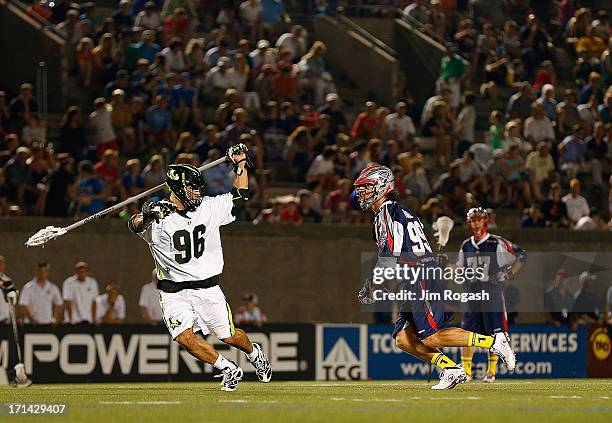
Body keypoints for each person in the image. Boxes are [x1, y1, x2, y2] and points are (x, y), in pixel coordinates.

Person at [354, 165, 516, 390]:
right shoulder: (396, 211)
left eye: (366, 188)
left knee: (431, 337)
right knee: (404, 339)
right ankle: (451, 369)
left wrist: (374, 282)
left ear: (382, 186)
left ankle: (494, 342)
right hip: (415, 275)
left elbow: (391, 253)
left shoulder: (386, 212)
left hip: (419, 275)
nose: (361, 193)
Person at [127, 144, 271, 392]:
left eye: (197, 189)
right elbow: (134, 225)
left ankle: (253, 352)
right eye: (191, 189)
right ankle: (228, 368)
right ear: (177, 189)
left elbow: (240, 196)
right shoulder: (159, 217)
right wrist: (149, 213)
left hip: (207, 287)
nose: (196, 194)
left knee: (228, 336)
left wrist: (241, 165)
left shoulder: (207, 207)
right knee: (184, 337)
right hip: (172, 291)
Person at [458, 207, 526, 383]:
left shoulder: (496, 243)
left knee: (496, 334)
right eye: (473, 220)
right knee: (466, 335)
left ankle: (491, 372)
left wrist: (508, 274)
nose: (476, 223)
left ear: (485, 221)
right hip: (472, 295)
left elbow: (521, 255)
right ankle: (466, 372)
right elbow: (459, 269)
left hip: (492, 294)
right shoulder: (466, 245)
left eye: (479, 219)